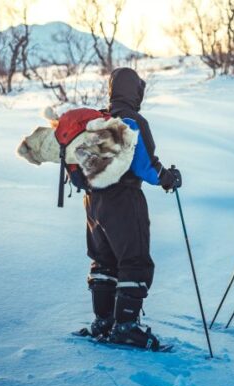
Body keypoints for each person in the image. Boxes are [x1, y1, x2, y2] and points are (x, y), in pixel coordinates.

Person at [83, 67, 181, 350]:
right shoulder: (132, 120)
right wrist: (168, 179)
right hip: (124, 199)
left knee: (104, 260)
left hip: (93, 202)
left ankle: (103, 323)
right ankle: (125, 326)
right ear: (135, 91)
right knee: (134, 260)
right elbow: (145, 166)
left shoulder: (98, 121)